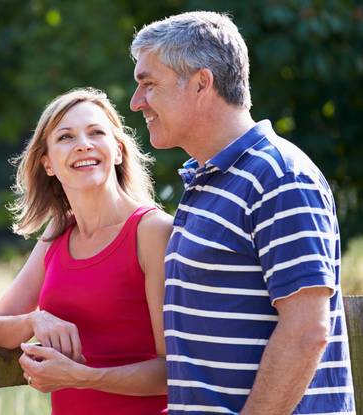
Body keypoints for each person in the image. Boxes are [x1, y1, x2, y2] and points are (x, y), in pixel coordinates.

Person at [129, 11, 355, 414]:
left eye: (148, 84)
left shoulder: (280, 177)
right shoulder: (209, 181)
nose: (136, 102)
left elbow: (306, 332)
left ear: (201, 83)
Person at [0, 87, 171, 414]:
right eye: (66, 137)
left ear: (119, 150)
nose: (83, 143)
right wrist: (34, 320)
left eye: (96, 132)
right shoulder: (58, 232)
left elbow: (174, 371)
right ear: (48, 163)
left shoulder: (153, 232)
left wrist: (82, 377)